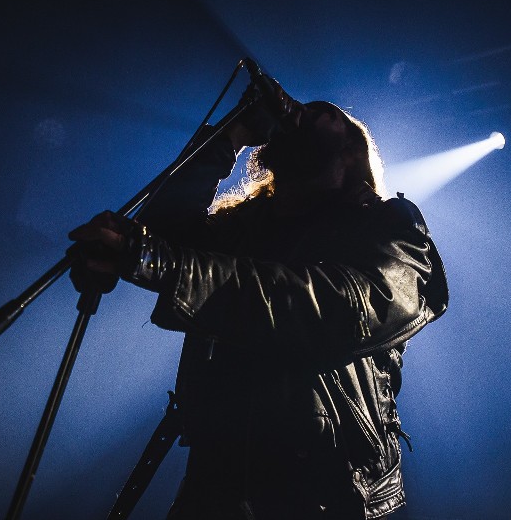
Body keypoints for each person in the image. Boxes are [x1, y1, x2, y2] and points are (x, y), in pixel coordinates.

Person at [67, 78, 448, 519]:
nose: (306, 111)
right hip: (218, 481)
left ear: (351, 154)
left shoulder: (389, 226)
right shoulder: (243, 231)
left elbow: (342, 309)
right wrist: (230, 138)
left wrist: (158, 260)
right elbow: (166, 234)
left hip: (325, 489)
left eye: (328, 115)